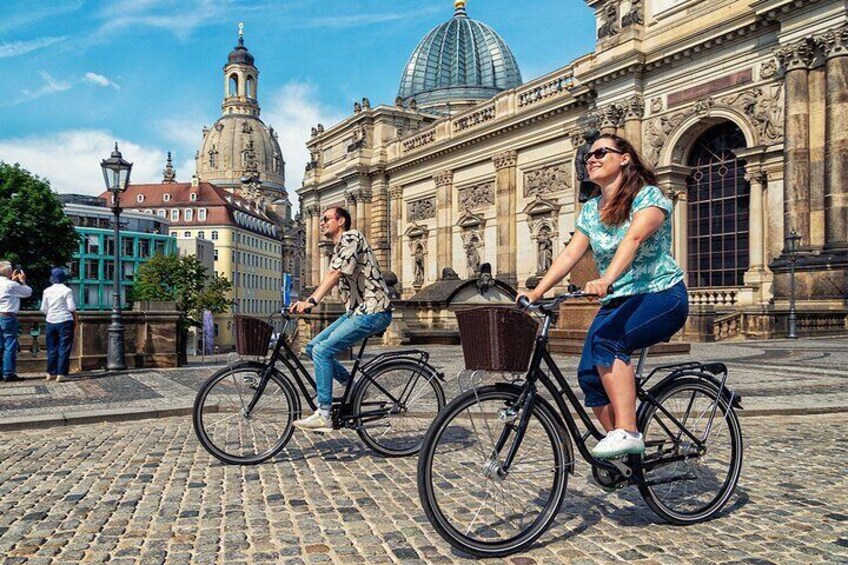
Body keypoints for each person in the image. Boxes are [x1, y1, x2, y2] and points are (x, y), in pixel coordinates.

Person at [517, 133, 688, 459]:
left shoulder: (648, 197)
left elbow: (635, 238)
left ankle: (628, 431)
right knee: (588, 375)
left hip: (661, 295)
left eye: (600, 153)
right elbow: (569, 255)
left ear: (624, 158)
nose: (591, 159)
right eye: (588, 156)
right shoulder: (592, 210)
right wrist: (536, 292)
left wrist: (607, 278)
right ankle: (623, 457)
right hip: (619, 301)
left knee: (609, 343)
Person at [289, 207, 393, 433]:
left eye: (326, 219)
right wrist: (305, 301)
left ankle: (324, 413)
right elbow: (330, 275)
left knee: (322, 351)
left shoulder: (351, 237)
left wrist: (312, 302)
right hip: (356, 312)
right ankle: (354, 388)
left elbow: (335, 276)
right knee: (311, 346)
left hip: (373, 311)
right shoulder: (338, 247)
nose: (322, 223)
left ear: (341, 221)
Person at [40, 267, 77, 382]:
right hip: (65, 321)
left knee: (51, 348)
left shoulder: (46, 291)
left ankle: (50, 373)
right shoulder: (67, 291)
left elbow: (43, 309)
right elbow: (71, 308)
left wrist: (51, 313)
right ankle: (61, 373)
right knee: (64, 348)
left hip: (50, 321)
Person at [0, 261, 33, 382]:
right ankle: (8, 373)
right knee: (10, 345)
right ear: (9, 272)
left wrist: (12, 281)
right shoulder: (11, 285)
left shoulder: (9, 284)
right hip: (7, 316)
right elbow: (27, 292)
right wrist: (23, 281)